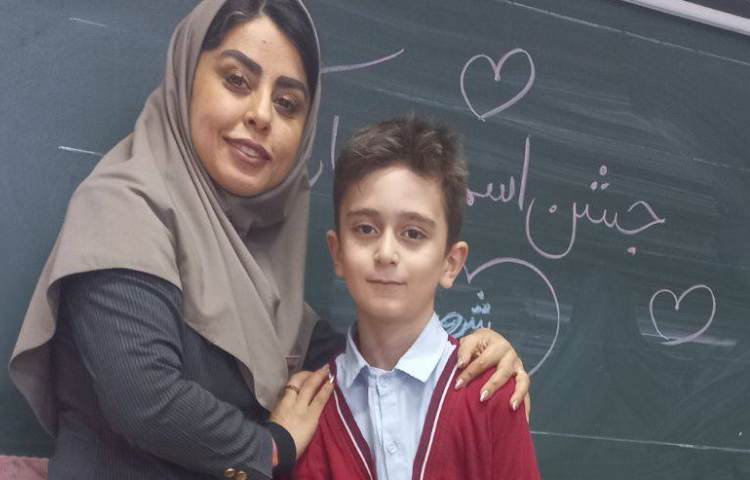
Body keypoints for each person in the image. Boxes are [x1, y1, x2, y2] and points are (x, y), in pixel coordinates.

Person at [8, 1, 530, 479]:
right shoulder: (122, 208)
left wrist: (471, 351)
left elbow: (346, 355)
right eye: (237, 80)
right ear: (188, 76)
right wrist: (272, 447)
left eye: (287, 103)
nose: (261, 115)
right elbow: (145, 397)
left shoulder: (264, 261)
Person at [291, 115, 540, 479]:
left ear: (451, 263)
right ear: (338, 253)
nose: (386, 253)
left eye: (413, 233)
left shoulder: (492, 390)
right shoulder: (307, 411)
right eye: (365, 229)